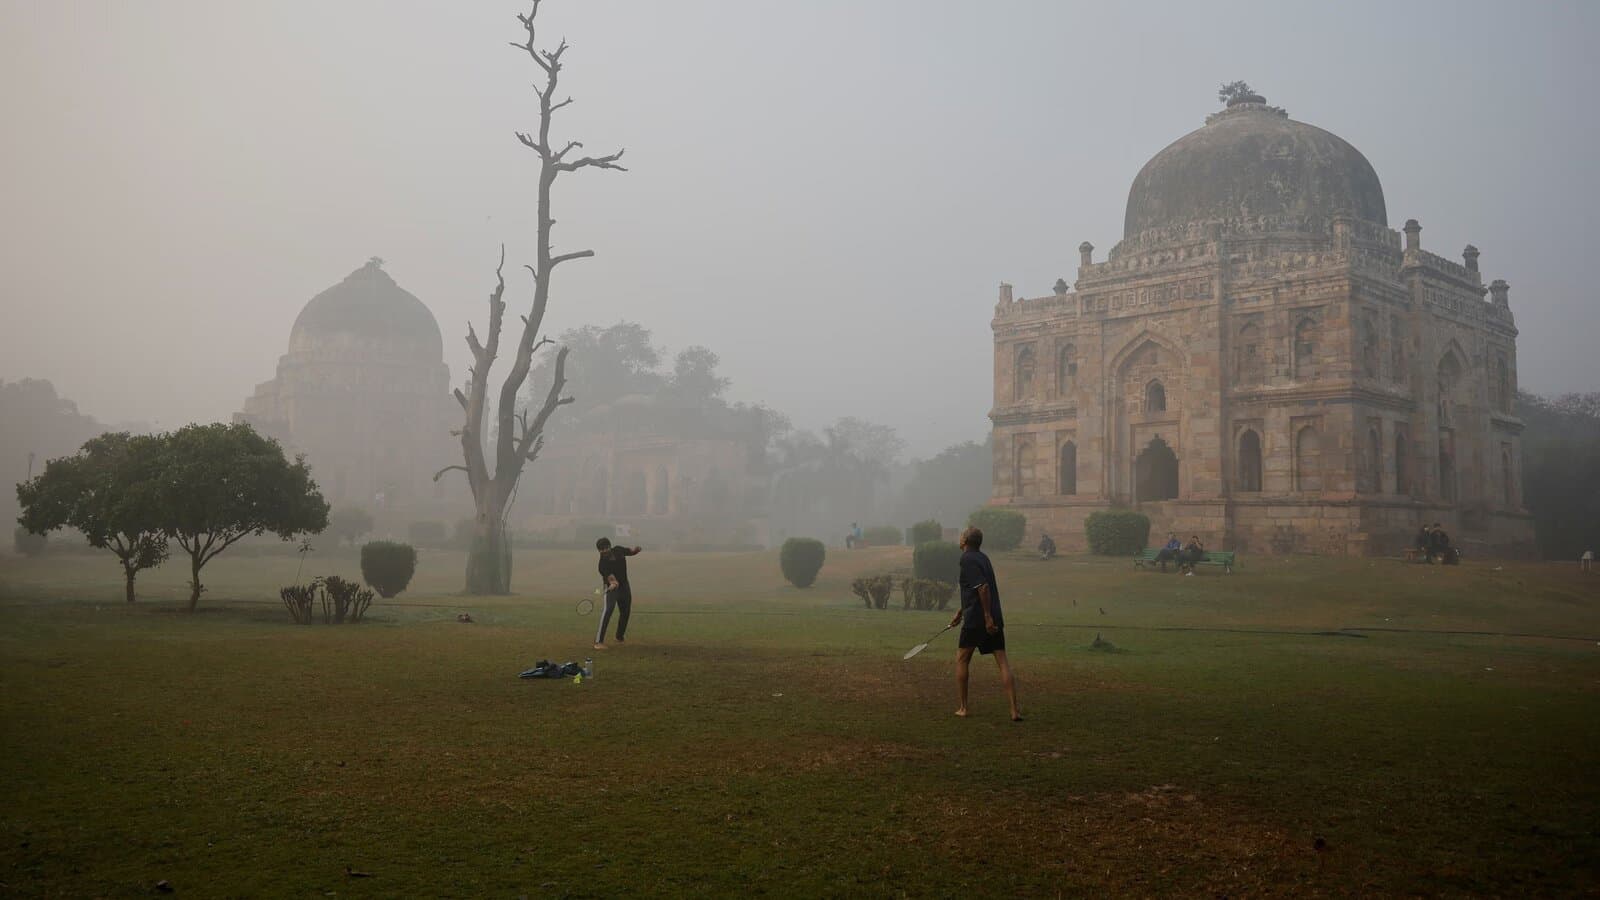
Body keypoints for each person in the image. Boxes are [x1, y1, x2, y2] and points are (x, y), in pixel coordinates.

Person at [948, 527, 1021, 722]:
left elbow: (983, 587)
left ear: (965, 540)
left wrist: (986, 617)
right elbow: (973, 590)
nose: (960, 537)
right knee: (1003, 662)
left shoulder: (966, 559)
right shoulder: (983, 558)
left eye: (961, 535)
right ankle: (1014, 711)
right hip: (990, 616)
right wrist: (960, 611)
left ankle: (963, 708)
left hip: (977, 620)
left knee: (962, 660)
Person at [593, 538, 642, 650]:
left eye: (605, 548)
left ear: (610, 546)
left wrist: (636, 550)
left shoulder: (618, 550)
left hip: (625, 585)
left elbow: (630, 552)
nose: (604, 551)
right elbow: (611, 578)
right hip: (612, 588)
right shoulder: (602, 564)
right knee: (608, 610)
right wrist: (613, 582)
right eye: (601, 550)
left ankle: (619, 637)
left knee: (625, 611)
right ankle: (598, 642)